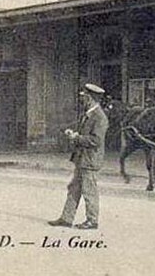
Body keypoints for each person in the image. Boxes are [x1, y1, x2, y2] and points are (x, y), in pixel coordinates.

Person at [49, 83, 109, 230]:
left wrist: (77, 138)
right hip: (82, 159)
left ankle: (92, 221)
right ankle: (66, 219)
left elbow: (96, 141)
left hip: (90, 160)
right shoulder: (89, 114)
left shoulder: (99, 117)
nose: (82, 100)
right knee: (74, 188)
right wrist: (74, 135)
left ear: (90, 98)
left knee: (89, 191)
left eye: (84, 97)